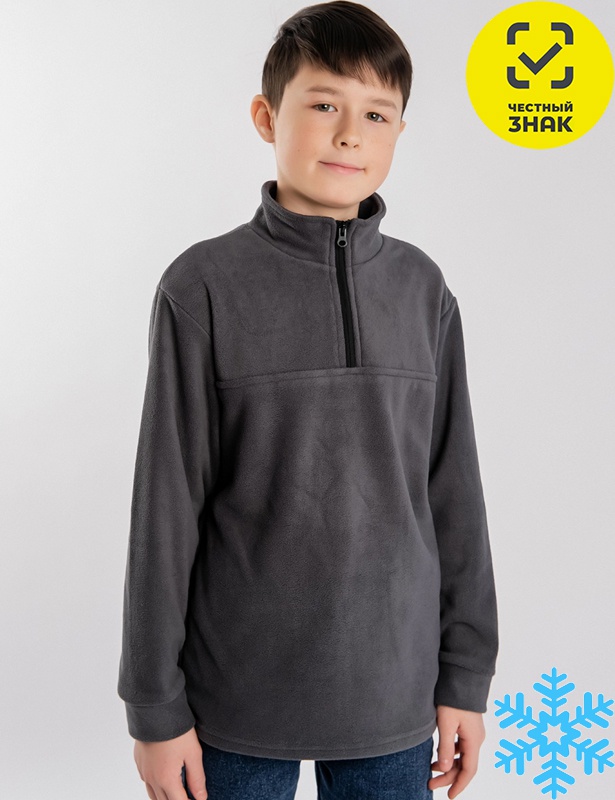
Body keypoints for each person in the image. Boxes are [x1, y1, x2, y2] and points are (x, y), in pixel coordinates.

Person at [117, 2, 499, 799]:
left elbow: (453, 493)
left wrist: (465, 675)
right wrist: (153, 708)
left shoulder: (422, 290)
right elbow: (165, 507)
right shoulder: (202, 287)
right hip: (233, 699)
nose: (350, 134)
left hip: (393, 696)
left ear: (399, 132)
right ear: (267, 117)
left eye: (375, 114)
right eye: (324, 104)